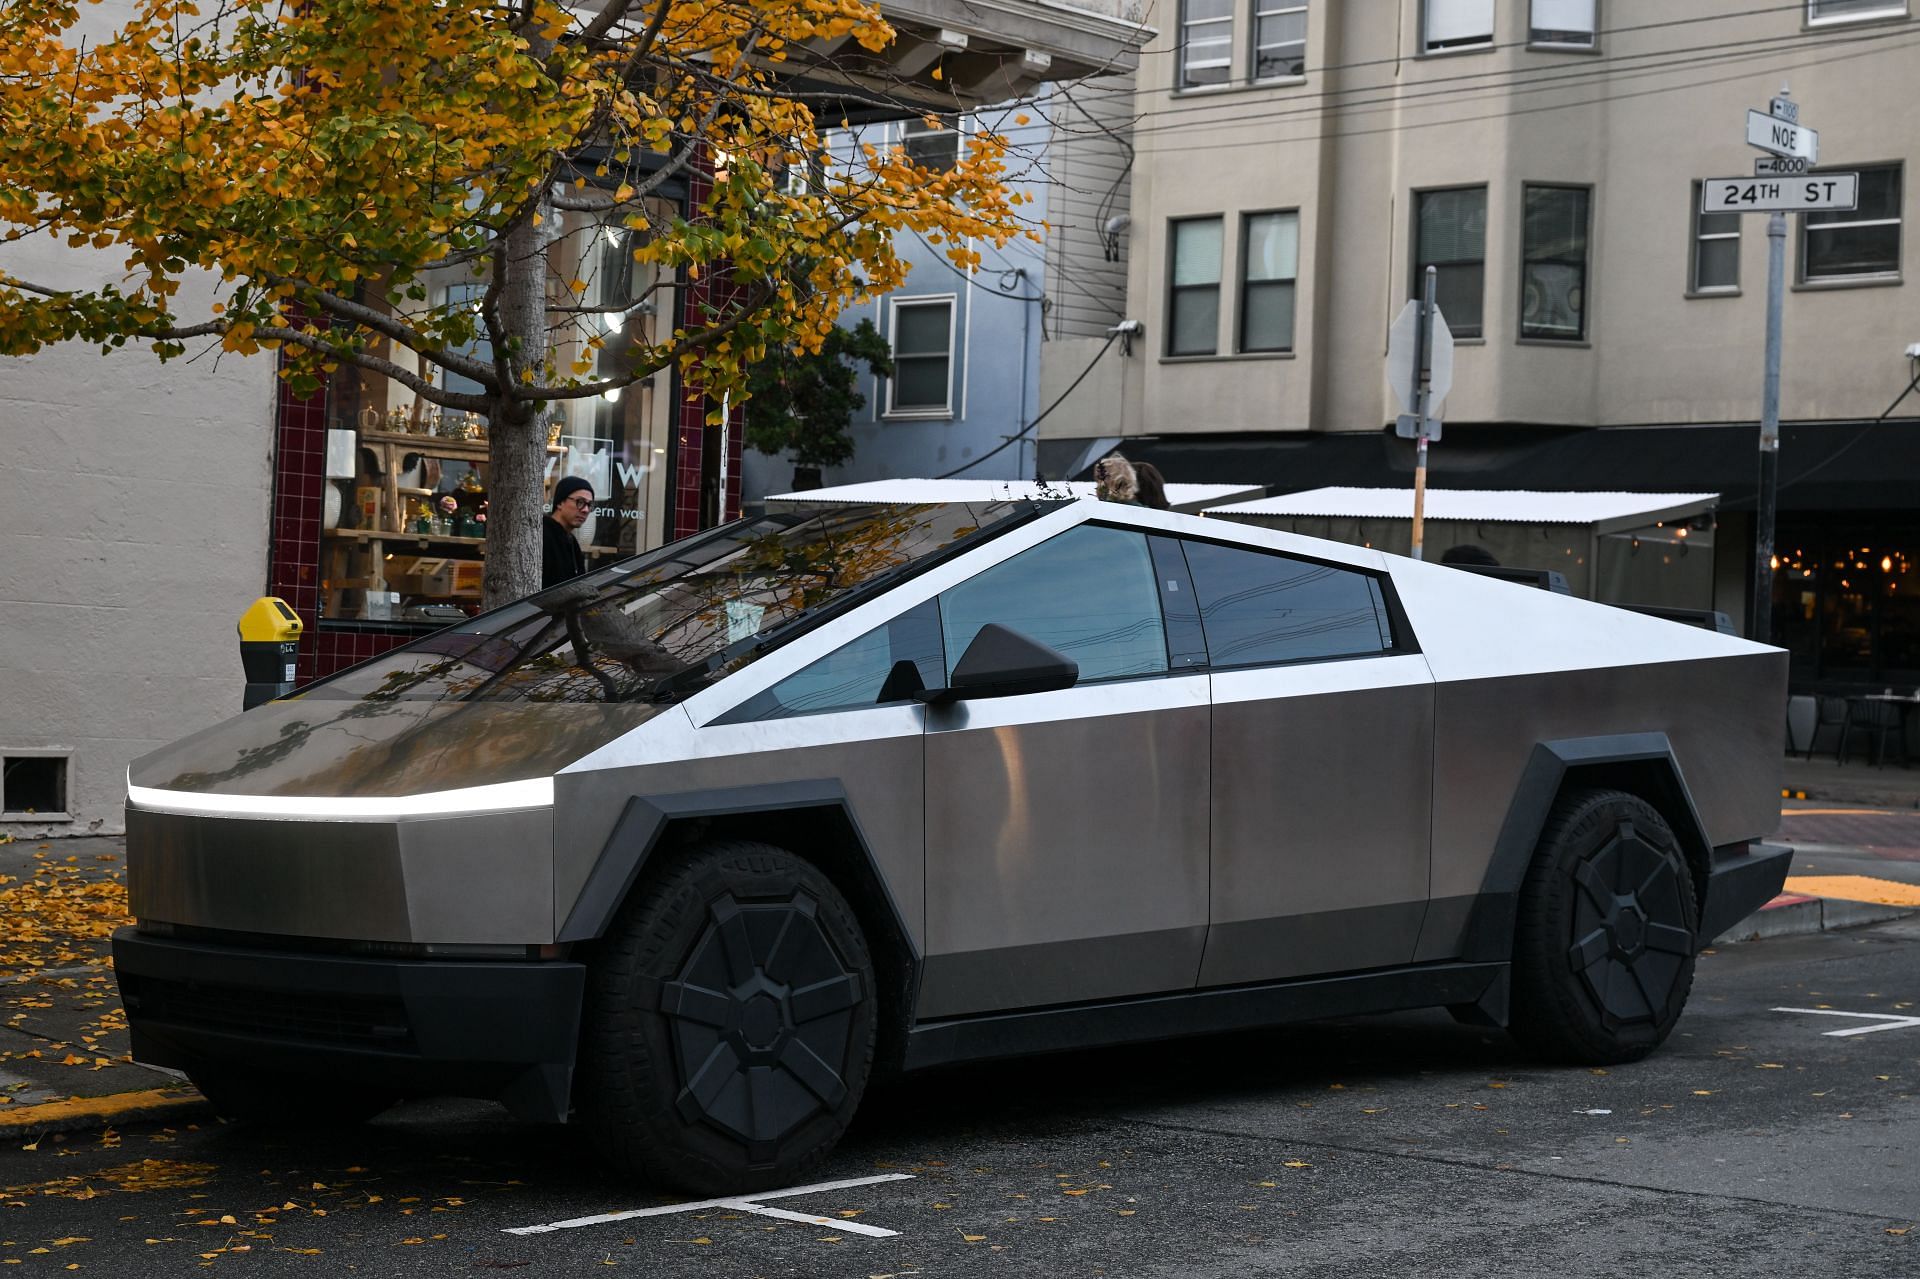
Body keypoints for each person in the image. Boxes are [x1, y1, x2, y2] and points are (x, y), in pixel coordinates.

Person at [543, 476, 593, 589]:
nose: (585, 510)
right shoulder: (542, 534)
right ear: (560, 502)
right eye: (580, 502)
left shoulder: (571, 541)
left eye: (589, 505)